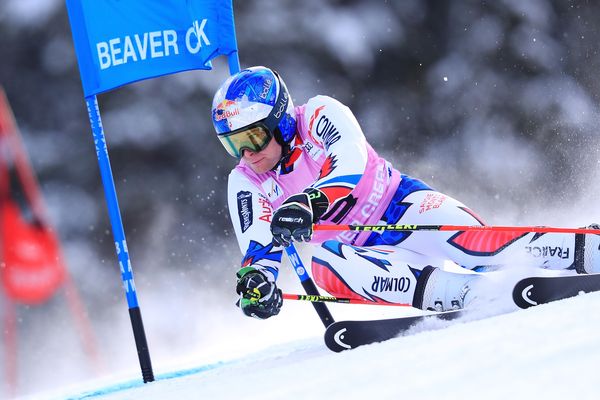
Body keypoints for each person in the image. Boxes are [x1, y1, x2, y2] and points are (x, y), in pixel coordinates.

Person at [211, 66, 600, 319]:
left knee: (477, 247)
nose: (247, 153)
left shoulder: (319, 114)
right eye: (233, 145)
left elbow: (350, 162)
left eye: (254, 137)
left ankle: (586, 248)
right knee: (325, 264)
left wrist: (310, 202)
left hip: (402, 206)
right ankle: (473, 296)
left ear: (279, 120)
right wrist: (258, 283)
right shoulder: (245, 180)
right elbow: (258, 245)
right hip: (363, 252)